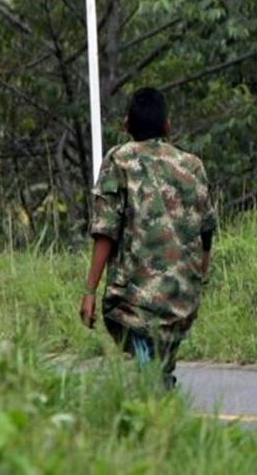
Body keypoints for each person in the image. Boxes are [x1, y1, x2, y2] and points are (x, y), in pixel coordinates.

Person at [79, 87, 218, 389]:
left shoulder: (119, 160)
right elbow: (207, 232)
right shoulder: (191, 165)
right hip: (182, 297)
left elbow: (106, 231)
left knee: (148, 366)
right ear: (167, 125)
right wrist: (198, 282)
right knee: (162, 369)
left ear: (126, 124)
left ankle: (152, 396)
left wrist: (89, 290)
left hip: (135, 299)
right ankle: (160, 406)